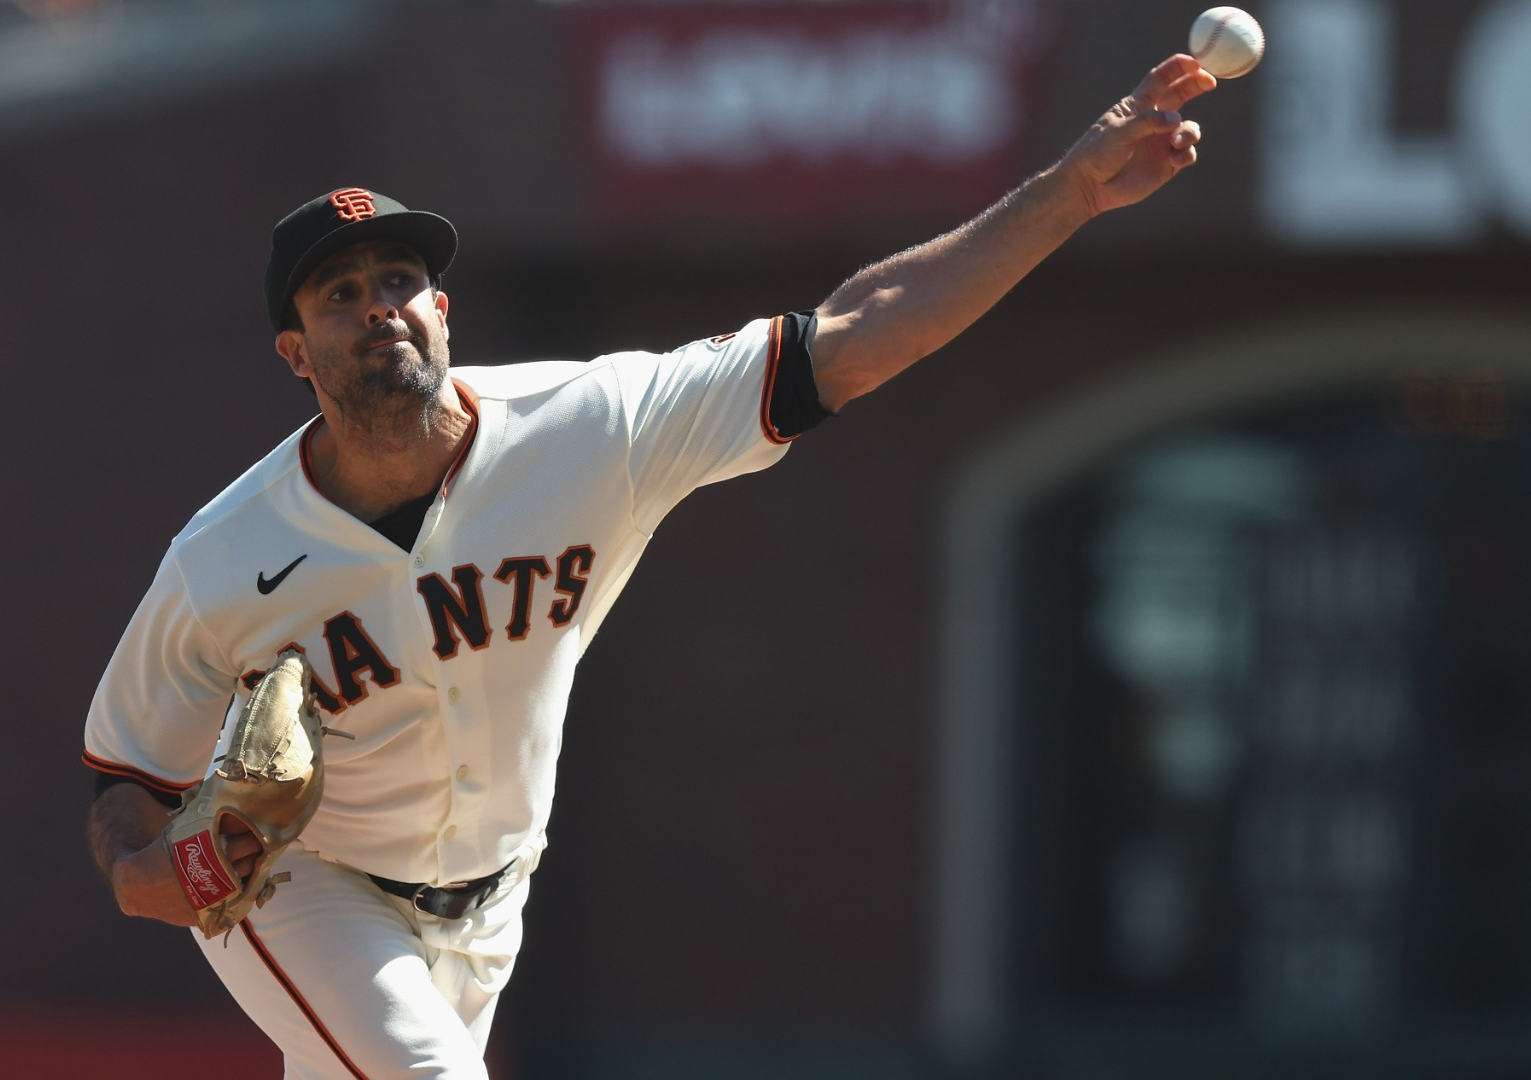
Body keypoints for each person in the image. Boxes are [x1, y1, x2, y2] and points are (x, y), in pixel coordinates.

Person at [83, 54, 1216, 1080]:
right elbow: (124, 784)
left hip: (492, 906)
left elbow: (856, 333)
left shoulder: (589, 425)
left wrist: (1069, 189)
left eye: (399, 280)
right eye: (340, 295)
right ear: (296, 352)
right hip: (306, 890)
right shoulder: (228, 553)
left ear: (443, 307)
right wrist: (166, 878)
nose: (380, 306)